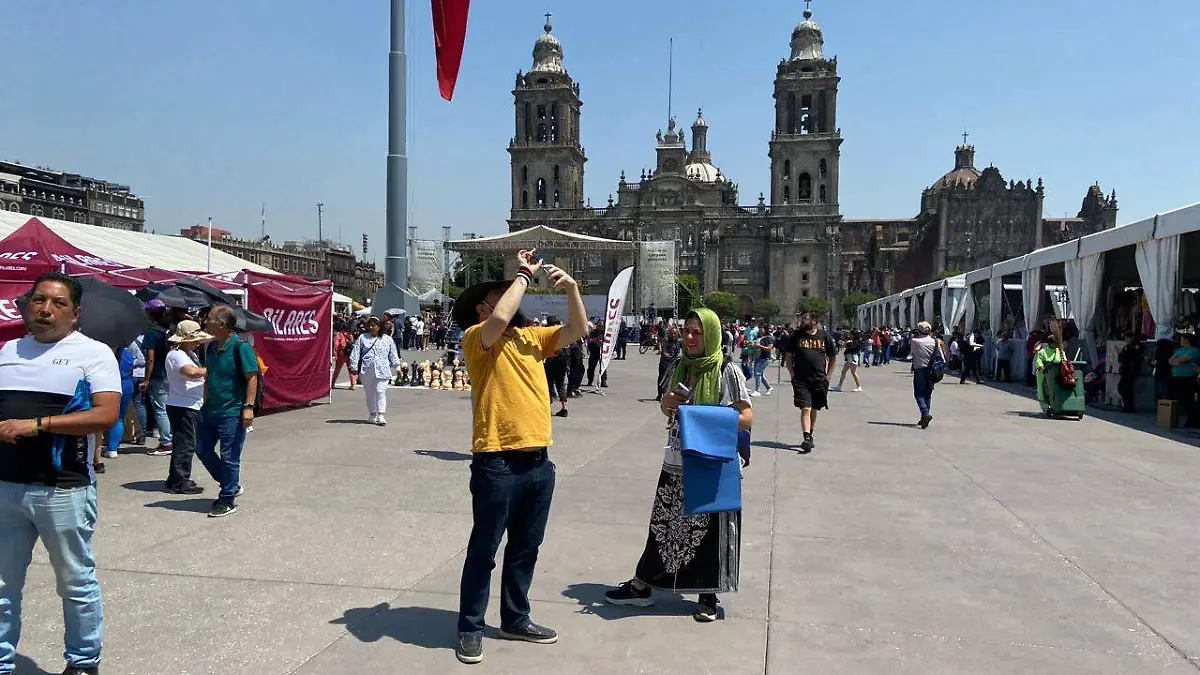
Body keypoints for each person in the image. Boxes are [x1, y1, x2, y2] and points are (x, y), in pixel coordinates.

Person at [450, 248, 586, 665]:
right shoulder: (478, 338)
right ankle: (470, 628)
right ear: (482, 307)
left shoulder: (530, 339)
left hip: (538, 462)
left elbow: (577, 330)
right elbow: (496, 322)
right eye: (501, 295)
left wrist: (573, 290)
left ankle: (515, 618)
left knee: (526, 547)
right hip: (497, 461)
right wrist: (523, 276)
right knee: (484, 549)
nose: (512, 299)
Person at [0, 272, 122, 675]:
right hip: (6, 487)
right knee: (1, 588)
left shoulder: (93, 353)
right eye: (38, 300)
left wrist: (35, 425)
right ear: (27, 305)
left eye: (57, 303)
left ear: (75, 313)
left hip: (63, 489)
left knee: (74, 582)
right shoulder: (7, 350)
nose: (45, 309)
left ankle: (83, 662)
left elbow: (105, 414)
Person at [603, 308, 752, 622]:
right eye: (686, 330)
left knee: (710, 531)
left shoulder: (727, 370)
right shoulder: (679, 366)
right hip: (675, 460)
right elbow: (666, 408)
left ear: (711, 335)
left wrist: (700, 419)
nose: (689, 337)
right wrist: (669, 403)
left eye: (697, 332)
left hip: (711, 463)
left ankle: (708, 596)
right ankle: (642, 586)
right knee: (663, 526)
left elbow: (746, 417)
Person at [194, 305, 259, 518]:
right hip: (210, 410)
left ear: (222, 323)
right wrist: (204, 403)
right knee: (202, 449)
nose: (206, 321)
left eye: (210, 318)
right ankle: (230, 483)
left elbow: (252, 377)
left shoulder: (241, 348)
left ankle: (227, 497)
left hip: (232, 411)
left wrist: (248, 407)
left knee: (229, 456)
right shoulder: (210, 348)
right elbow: (210, 376)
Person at [164, 320, 210, 494]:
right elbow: (190, 372)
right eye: (195, 339)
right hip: (182, 404)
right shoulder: (176, 355)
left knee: (185, 442)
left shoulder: (189, 353)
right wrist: (212, 368)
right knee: (185, 444)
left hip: (189, 403)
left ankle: (176, 478)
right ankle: (179, 481)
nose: (198, 342)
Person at [782, 312, 837, 453]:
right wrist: (792, 374)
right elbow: (788, 355)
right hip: (801, 379)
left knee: (813, 409)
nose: (802, 321)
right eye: (801, 318)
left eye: (805, 318)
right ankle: (806, 438)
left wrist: (828, 377)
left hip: (819, 380)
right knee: (805, 408)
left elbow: (832, 356)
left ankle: (810, 434)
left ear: (814, 320)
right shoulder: (796, 336)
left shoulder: (824, 335)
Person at [349, 316, 401, 426]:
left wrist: (397, 367)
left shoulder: (387, 339)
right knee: (370, 393)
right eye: (370, 325)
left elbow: (393, 354)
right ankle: (372, 414)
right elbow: (356, 352)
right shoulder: (363, 337)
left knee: (380, 391)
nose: (372, 327)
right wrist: (353, 367)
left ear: (379, 326)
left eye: (374, 325)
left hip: (382, 369)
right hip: (367, 370)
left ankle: (381, 415)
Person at [140, 300, 173, 456]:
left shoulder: (152, 333)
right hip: (169, 373)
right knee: (166, 408)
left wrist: (146, 379)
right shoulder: (168, 330)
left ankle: (166, 442)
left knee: (160, 409)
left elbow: (150, 358)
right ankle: (170, 439)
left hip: (158, 375)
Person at [100, 344, 136, 463]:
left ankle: (106, 446)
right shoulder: (127, 352)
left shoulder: (106, 352)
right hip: (126, 384)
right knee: (119, 417)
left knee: (107, 416)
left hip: (112, 384)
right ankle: (113, 448)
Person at [909, 321, 946, 429]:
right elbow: (941, 357)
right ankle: (924, 418)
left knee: (919, 394)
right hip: (932, 370)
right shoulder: (935, 341)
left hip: (920, 369)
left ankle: (925, 413)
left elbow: (911, 354)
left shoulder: (915, 341)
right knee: (927, 394)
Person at [1168, 333, 1200, 427]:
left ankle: (1192, 420)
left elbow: (1182, 360)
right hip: (1176, 377)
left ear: (1187, 340)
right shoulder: (1179, 350)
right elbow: (1170, 361)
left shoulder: (1194, 350)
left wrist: (1176, 362)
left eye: (1182, 338)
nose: (1180, 340)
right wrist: (1176, 362)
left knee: (1187, 399)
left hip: (1187, 379)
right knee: (1177, 397)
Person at [543, 316, 570, 418]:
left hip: (551, 360)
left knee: (548, 384)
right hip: (562, 361)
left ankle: (548, 409)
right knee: (561, 384)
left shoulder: (548, 333)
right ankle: (564, 408)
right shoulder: (563, 333)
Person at [1116, 332, 1145, 413]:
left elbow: (1134, 355)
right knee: (1123, 388)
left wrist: (1123, 352)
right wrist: (1119, 353)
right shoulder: (1127, 347)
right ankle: (1127, 406)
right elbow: (1121, 359)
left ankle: (1128, 407)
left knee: (1126, 389)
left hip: (1130, 370)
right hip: (1125, 370)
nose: (1126, 340)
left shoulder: (1136, 346)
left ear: (1132, 338)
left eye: (1127, 338)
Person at [655, 325, 682, 400]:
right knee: (662, 379)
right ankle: (660, 394)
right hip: (664, 363)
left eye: (675, 334)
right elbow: (665, 353)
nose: (673, 335)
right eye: (672, 333)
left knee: (672, 379)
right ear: (669, 334)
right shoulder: (666, 341)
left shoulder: (678, 342)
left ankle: (669, 394)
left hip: (673, 364)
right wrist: (672, 358)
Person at [832, 328, 863, 392]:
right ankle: (839, 386)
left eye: (852, 334)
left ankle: (859, 387)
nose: (850, 335)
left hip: (852, 358)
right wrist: (845, 344)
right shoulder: (854, 340)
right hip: (850, 358)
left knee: (853, 373)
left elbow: (852, 347)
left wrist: (845, 344)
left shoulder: (857, 341)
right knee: (844, 372)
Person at [332, 319, 357, 391]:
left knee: (338, 369)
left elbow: (336, 344)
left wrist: (335, 354)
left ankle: (333, 383)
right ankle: (353, 384)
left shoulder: (339, 334)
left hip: (341, 352)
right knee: (350, 368)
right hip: (349, 353)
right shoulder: (350, 335)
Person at [586, 322, 607, 388]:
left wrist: (603, 342)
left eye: (602, 326)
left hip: (602, 352)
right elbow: (589, 340)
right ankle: (590, 380)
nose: (601, 327)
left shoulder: (605, 332)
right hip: (594, 351)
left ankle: (603, 381)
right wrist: (595, 340)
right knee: (591, 368)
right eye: (599, 326)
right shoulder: (593, 332)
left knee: (603, 367)